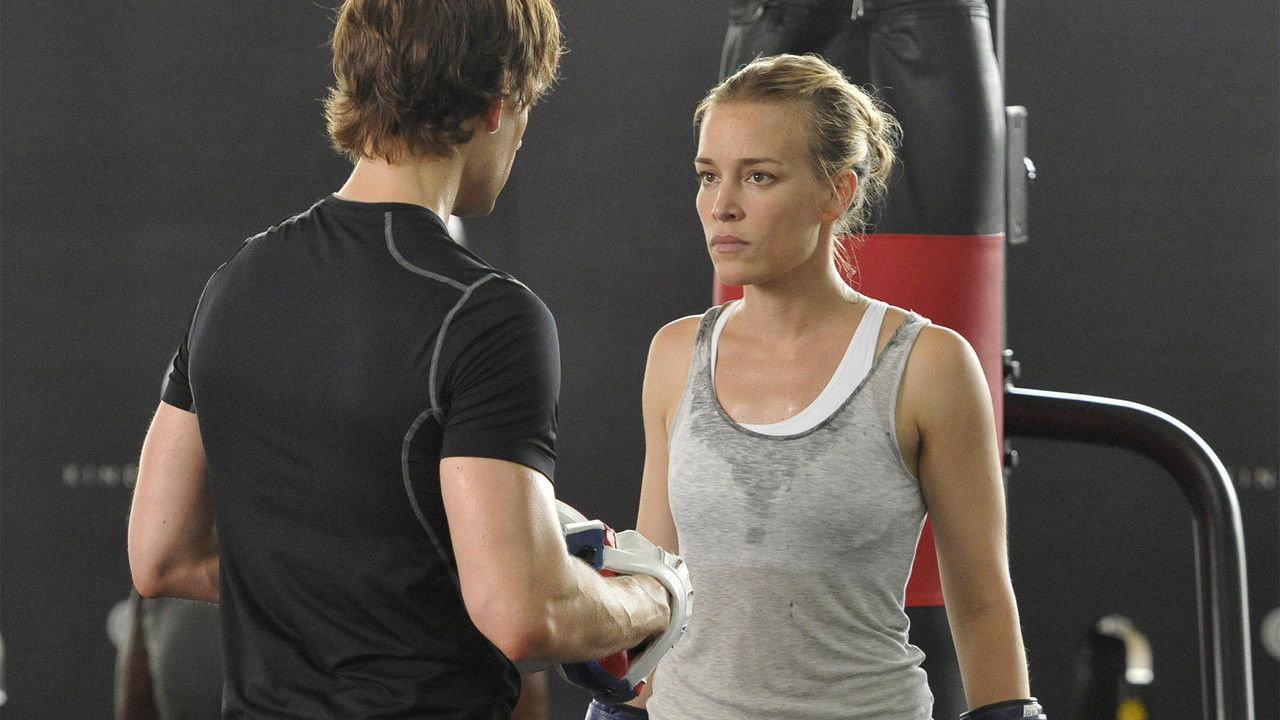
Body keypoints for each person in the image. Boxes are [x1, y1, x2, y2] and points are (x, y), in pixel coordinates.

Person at [127, 1, 680, 718]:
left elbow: (160, 555)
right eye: (526, 111)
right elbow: (521, 611)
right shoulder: (486, 315)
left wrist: (362, 578)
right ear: (497, 103)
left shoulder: (234, 282)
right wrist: (654, 596)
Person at [600, 53, 1041, 719]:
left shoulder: (928, 366)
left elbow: (981, 603)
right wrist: (621, 708)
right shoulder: (676, 354)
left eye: (758, 176)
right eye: (708, 176)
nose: (722, 206)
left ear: (837, 192)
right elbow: (657, 583)